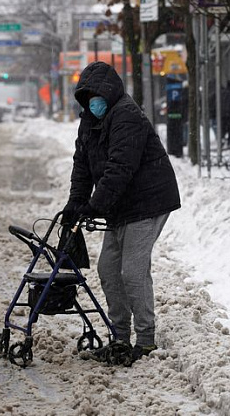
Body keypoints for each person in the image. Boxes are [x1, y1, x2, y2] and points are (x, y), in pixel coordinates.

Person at [62, 61, 181, 363]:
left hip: (148, 200)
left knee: (132, 271)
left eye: (97, 96)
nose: (93, 103)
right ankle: (119, 337)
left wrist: (94, 205)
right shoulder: (89, 121)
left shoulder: (127, 116)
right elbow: (82, 167)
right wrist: (76, 202)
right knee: (108, 269)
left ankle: (145, 339)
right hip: (120, 204)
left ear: (110, 92)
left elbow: (120, 169)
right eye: (88, 98)